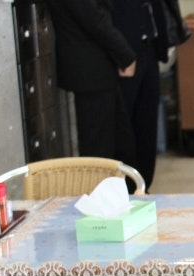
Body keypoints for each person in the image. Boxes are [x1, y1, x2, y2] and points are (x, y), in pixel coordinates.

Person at [47, 0, 138, 191]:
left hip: (98, 68)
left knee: (122, 143)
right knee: (99, 150)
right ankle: (103, 205)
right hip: (89, 70)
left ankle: (129, 196)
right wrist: (125, 54)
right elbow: (93, 19)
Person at [113, 0, 190, 191]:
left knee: (147, 123)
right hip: (124, 51)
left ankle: (143, 186)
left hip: (150, 46)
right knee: (124, 127)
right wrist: (119, 54)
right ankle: (127, 189)